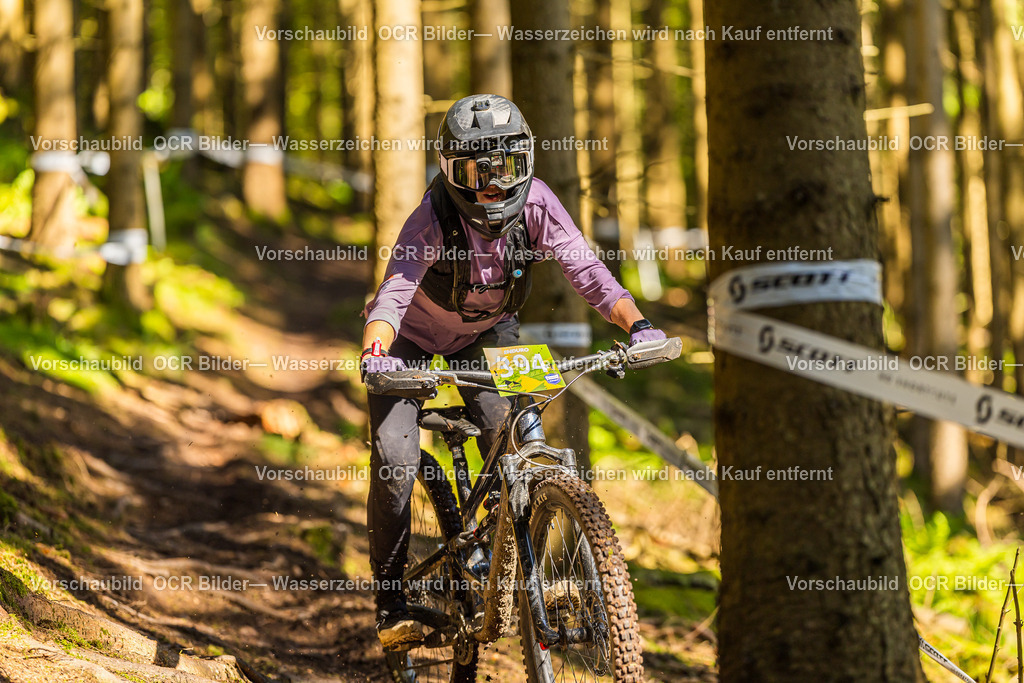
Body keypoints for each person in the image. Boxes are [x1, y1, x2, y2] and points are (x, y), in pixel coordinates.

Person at [360, 94, 666, 651]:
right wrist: (377, 355)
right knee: (395, 462)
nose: (493, 186)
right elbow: (393, 294)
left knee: (524, 433)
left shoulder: (540, 204)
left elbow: (589, 272)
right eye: (476, 171)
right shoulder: (432, 217)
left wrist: (640, 326)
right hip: (408, 339)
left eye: (505, 167)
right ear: (452, 172)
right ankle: (390, 607)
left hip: (488, 332)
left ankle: (527, 558)